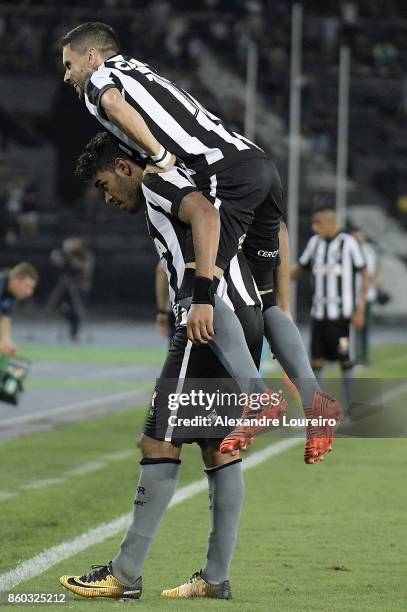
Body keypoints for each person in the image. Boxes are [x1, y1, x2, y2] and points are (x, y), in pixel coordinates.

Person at [61, 22, 340, 460]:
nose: (67, 75)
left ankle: (258, 397)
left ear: (92, 57)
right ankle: (318, 402)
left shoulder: (102, 79)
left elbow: (113, 103)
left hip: (223, 177)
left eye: (70, 64)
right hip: (258, 165)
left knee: (206, 283)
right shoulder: (142, 70)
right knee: (264, 302)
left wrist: (156, 154)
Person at [60, 134, 275, 602]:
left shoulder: (160, 183)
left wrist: (198, 300)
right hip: (238, 313)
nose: (107, 198)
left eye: (104, 184)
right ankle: (215, 578)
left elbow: (206, 214)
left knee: (158, 440)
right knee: (219, 448)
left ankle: (124, 573)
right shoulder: (180, 178)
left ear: (123, 165)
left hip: (206, 319)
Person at [291, 206, 369, 412]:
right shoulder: (314, 243)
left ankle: (351, 404)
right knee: (316, 360)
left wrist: (360, 308)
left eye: (318, 223)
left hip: (341, 318)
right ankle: (318, 407)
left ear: (330, 223)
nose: (314, 227)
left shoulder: (348, 243)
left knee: (346, 359)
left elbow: (365, 275)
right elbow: (298, 269)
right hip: (320, 315)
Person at [351, 228, 387, 365]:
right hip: (350, 296)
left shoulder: (368, 250)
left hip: (367, 295)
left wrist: (379, 290)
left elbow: (373, 272)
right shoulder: (348, 248)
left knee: (364, 329)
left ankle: (363, 356)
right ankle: (346, 355)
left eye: (359, 235)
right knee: (347, 329)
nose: (358, 238)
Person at [47, 237, 95, 341]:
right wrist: (57, 257)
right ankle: (71, 327)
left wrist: (74, 261)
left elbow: (86, 267)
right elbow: (58, 262)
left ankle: (74, 333)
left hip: (80, 285)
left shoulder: (85, 254)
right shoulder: (66, 254)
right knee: (64, 307)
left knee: (77, 310)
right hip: (66, 285)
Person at [0, 262, 38, 356]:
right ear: (15, 280)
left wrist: (7, 341)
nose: (30, 292)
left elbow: (4, 317)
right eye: (27, 286)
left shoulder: (9, 293)